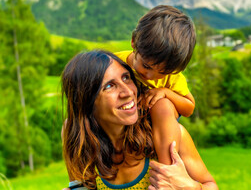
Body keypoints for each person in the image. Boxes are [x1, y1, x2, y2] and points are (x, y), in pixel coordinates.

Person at [61, 50, 217, 190]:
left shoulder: (168, 136)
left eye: (126, 78)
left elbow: (211, 186)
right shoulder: (81, 145)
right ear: (85, 101)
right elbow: (80, 187)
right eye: (109, 86)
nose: (128, 92)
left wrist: (192, 188)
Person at [115, 5, 196, 164]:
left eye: (163, 72)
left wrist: (166, 92)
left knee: (163, 105)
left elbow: (189, 108)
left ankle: (167, 169)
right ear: (133, 42)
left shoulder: (172, 77)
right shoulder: (115, 64)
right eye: (146, 66)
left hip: (157, 126)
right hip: (124, 125)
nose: (151, 76)